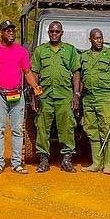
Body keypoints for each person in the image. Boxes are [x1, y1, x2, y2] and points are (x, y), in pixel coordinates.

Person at [0, 20, 43, 174]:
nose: (11, 33)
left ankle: (16, 163)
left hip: (17, 94)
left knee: (17, 130)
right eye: (7, 30)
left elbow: (27, 72)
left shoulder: (21, 51)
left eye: (13, 30)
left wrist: (35, 87)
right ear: (1, 33)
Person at [31, 21, 81, 173]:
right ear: (48, 33)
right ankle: (44, 159)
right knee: (42, 127)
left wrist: (76, 94)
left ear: (61, 33)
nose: (54, 34)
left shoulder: (70, 50)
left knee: (67, 127)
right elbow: (35, 73)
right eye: (51, 31)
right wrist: (35, 95)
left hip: (65, 96)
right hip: (44, 96)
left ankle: (66, 159)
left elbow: (76, 73)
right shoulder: (40, 51)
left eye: (57, 31)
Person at [79, 28, 110, 175]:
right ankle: (96, 163)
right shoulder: (83, 56)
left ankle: (108, 165)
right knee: (92, 131)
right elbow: (80, 78)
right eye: (96, 38)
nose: (99, 41)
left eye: (101, 38)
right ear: (90, 40)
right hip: (89, 98)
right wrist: (77, 95)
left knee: (108, 131)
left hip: (106, 97)